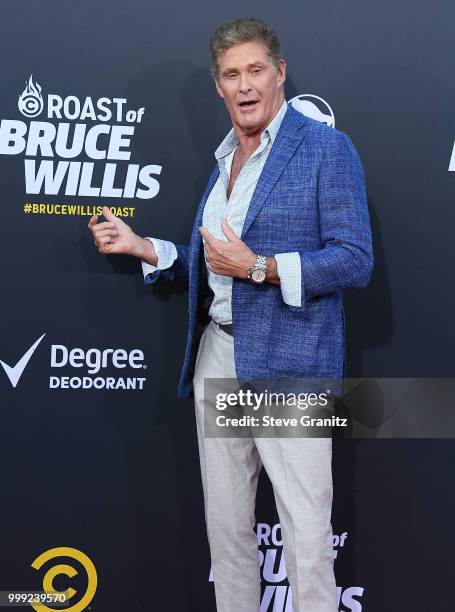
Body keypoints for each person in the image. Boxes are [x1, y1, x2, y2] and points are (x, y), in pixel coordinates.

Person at [88, 17, 373, 612]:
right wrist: (150, 250)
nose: (245, 86)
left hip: (290, 363)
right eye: (230, 74)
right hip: (219, 355)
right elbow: (220, 265)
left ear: (280, 73)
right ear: (219, 86)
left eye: (255, 70)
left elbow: (353, 260)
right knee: (228, 532)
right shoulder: (223, 163)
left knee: (306, 535)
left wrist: (261, 267)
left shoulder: (325, 148)